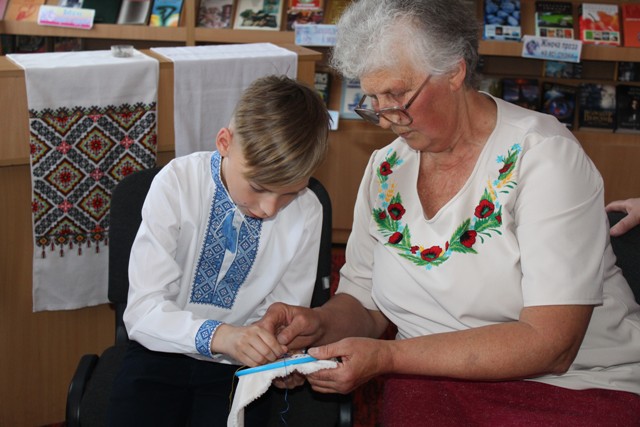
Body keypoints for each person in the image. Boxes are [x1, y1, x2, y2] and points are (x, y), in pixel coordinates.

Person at [258, 1, 640, 425]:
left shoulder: (544, 158)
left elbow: (551, 345)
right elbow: (365, 302)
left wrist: (389, 357)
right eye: (373, 99)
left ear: (455, 73)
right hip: (428, 381)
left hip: (575, 386)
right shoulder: (386, 168)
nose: (384, 120)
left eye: (397, 96)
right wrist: (317, 326)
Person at [107, 75, 330, 426]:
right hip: (162, 350)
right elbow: (143, 311)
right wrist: (220, 336)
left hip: (239, 367)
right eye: (258, 187)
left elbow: (284, 311)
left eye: (289, 193)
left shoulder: (307, 212)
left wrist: (279, 351)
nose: (270, 208)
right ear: (224, 143)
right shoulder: (177, 184)